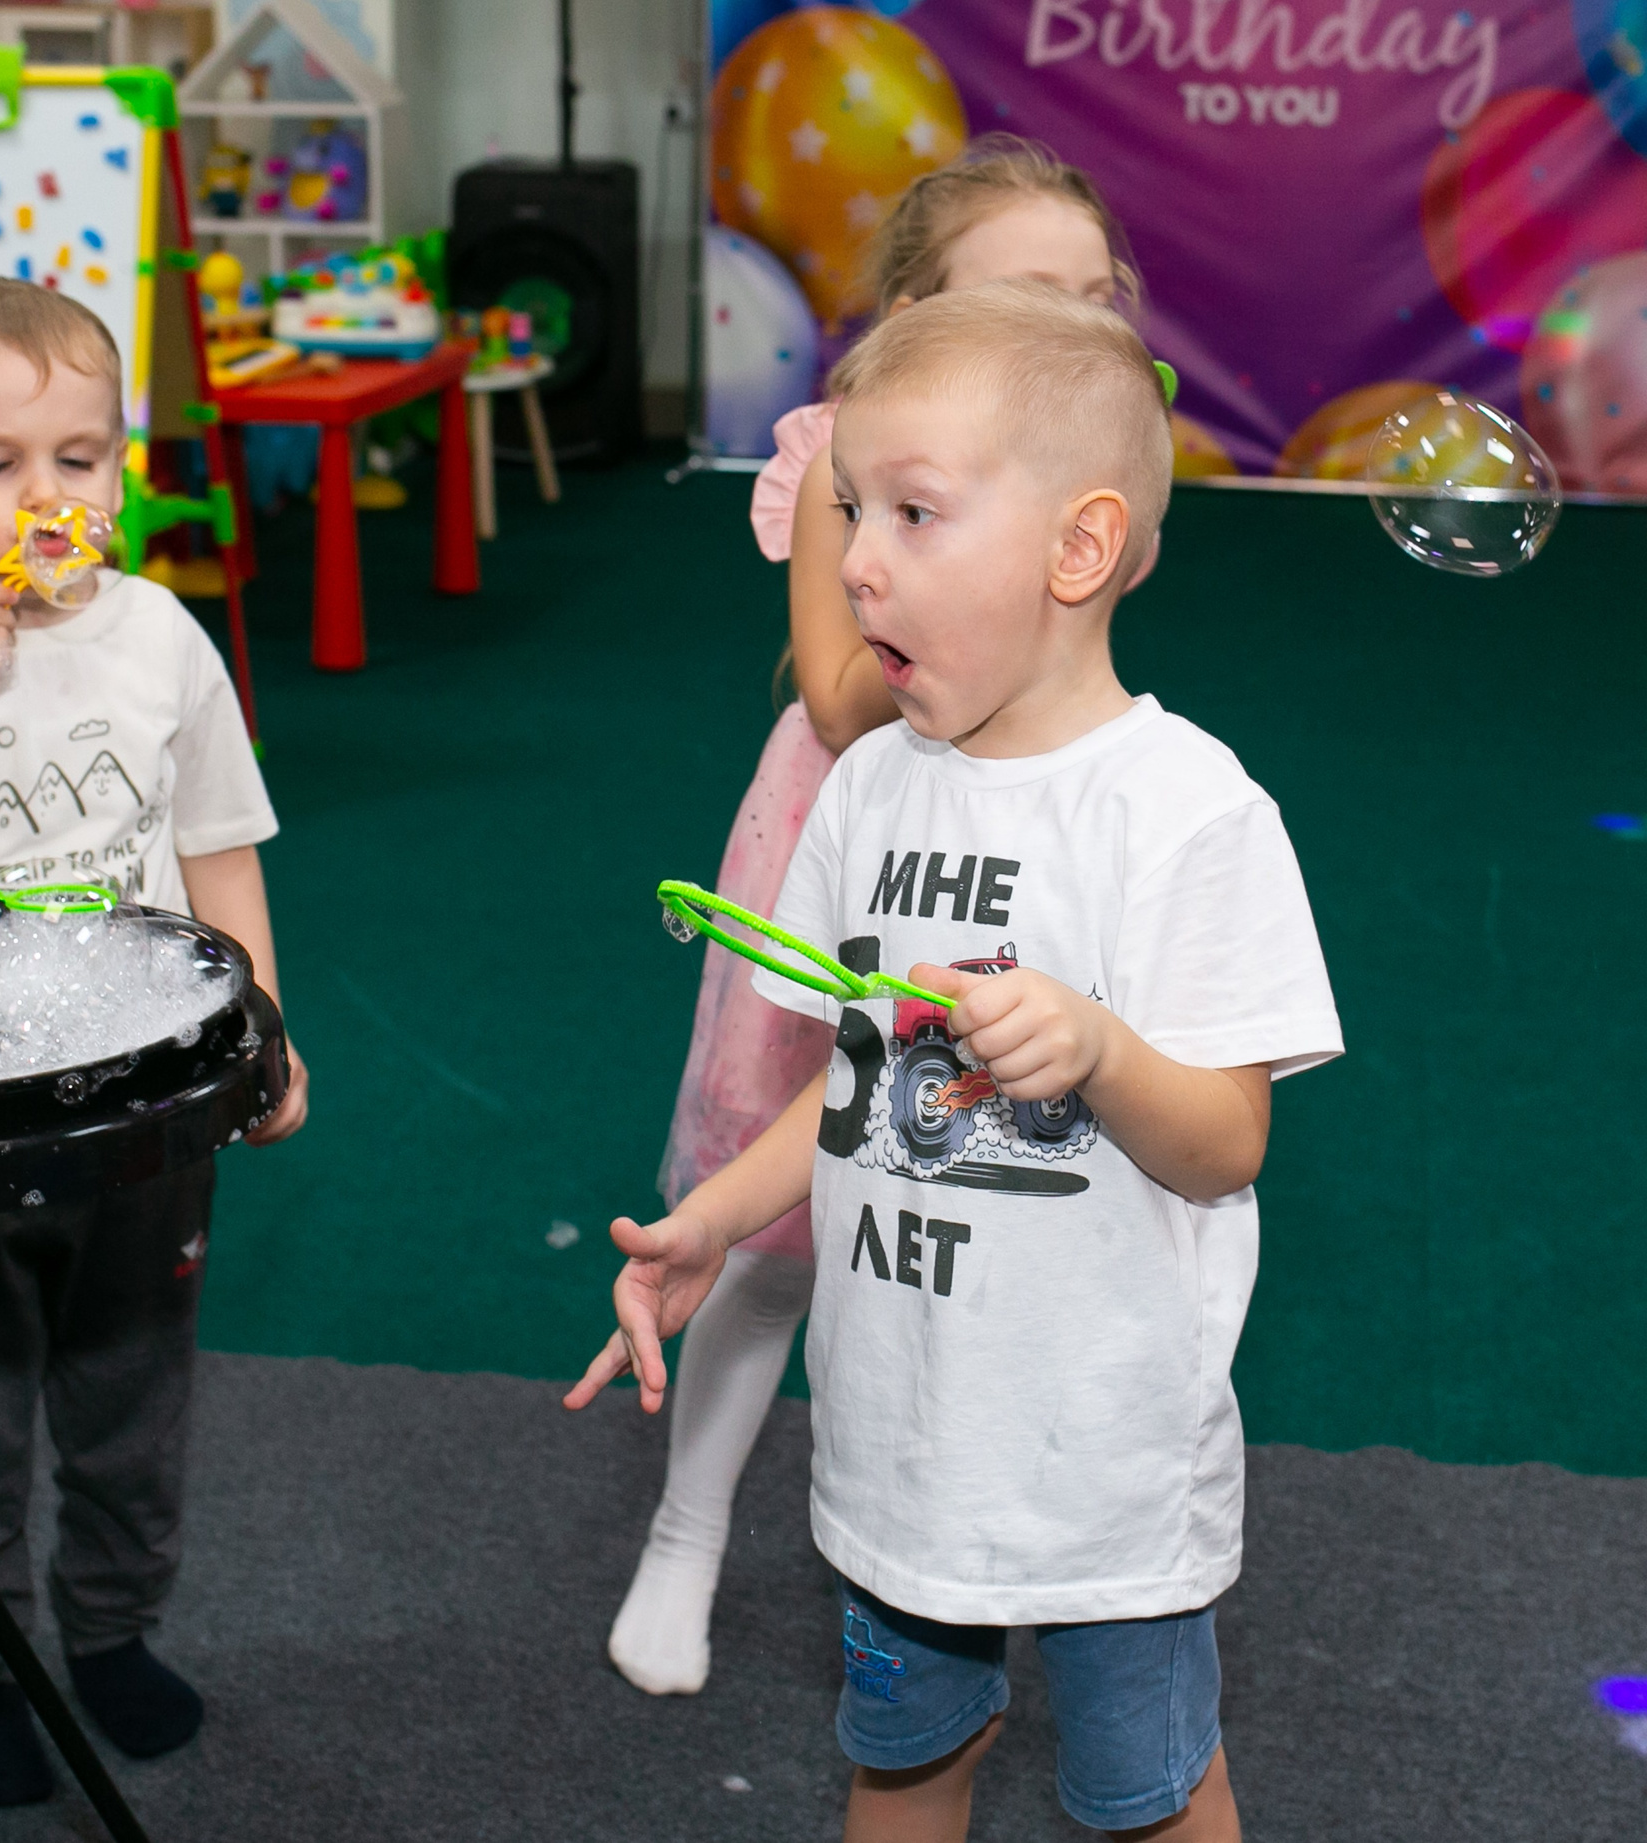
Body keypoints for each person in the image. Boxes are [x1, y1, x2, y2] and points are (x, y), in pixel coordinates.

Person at [567, 281, 1342, 1839]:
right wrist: (716, 1216)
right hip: (902, 1445)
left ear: (1078, 549)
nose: (857, 557)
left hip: (1108, 1461)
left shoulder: (1188, 810)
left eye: (915, 513)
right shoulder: (868, 790)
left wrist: (1098, 1047)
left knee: (1156, 1789)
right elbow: (857, 1082)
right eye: (854, 509)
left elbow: (1226, 1143)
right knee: (904, 1760)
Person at [614, 135, 1154, 1697]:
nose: (1082, 325)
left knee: (980, 1194)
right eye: (1034, 294)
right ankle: (687, 1526)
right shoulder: (845, 456)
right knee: (782, 1225)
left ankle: (986, 1529)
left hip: (1010, 853)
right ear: (917, 320)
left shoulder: (1085, 465)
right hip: (847, 849)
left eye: (1097, 294)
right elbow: (844, 695)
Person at [0, 274, 309, 1807]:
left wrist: (260, 1029)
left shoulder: (160, 633)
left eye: (78, 458)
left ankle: (108, 1625)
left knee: (132, 1393)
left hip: (140, 1104)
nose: (46, 496)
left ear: (121, 469)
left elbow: (219, 845)